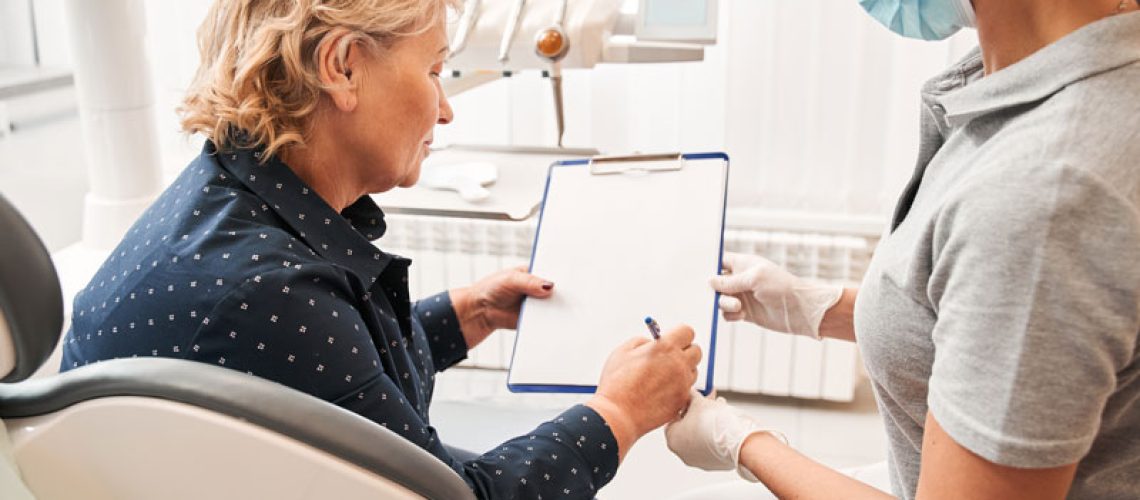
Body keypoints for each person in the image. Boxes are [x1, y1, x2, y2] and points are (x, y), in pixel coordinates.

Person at [59, 1, 701, 498]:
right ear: (342, 67)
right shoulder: (270, 294)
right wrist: (619, 409)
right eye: (433, 70)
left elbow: (332, 381)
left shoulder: (221, 197)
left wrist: (467, 312)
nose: (445, 109)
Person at [665, 0, 1140, 498]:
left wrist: (741, 443)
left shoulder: (1044, 190)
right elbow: (1008, 329)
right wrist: (815, 307)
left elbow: (1025, 281)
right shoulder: (1045, 85)